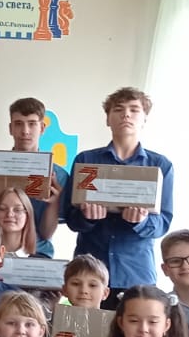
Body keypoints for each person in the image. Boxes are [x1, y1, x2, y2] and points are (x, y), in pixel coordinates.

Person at [63, 87, 174, 290]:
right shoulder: (86, 160)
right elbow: (71, 218)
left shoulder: (160, 166)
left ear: (145, 119)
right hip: (89, 274)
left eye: (134, 109)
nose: (126, 115)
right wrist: (87, 218)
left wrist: (141, 221)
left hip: (136, 273)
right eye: (118, 109)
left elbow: (163, 223)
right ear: (107, 119)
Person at [0, 98, 70, 256]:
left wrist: (54, 202)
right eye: (18, 124)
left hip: (39, 253)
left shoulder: (59, 175)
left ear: (42, 128)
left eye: (32, 123)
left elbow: (46, 234)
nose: (25, 131)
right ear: (10, 128)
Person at [0, 186, 41, 258]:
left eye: (17, 210)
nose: (9, 214)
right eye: (2, 208)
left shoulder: (40, 261)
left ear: (28, 215)